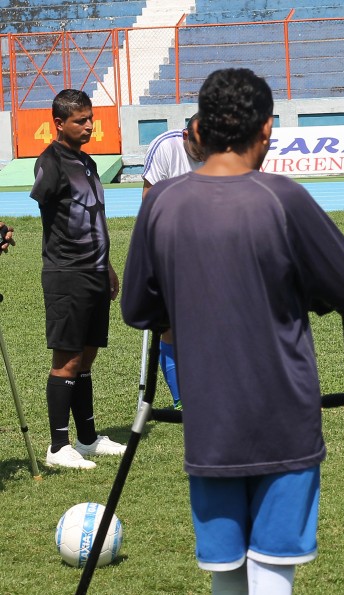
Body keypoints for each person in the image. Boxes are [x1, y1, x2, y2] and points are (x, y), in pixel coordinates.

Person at [121, 68, 344, 595]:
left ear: (200, 129)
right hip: (284, 415)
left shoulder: (162, 204)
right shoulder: (282, 198)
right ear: (266, 130)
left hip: (208, 419)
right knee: (273, 574)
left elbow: (136, 310)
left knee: (230, 571)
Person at [30, 89, 127, 470]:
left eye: (90, 119)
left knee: (86, 357)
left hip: (94, 272)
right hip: (67, 274)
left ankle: (87, 439)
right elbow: (46, 207)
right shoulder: (51, 161)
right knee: (67, 359)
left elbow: (93, 219)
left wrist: (107, 265)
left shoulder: (87, 161)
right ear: (59, 123)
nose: (89, 126)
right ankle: (58, 446)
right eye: (80, 120)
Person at [141, 112, 206, 409]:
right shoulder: (165, 146)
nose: (204, 155)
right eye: (199, 149)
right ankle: (182, 400)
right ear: (185, 136)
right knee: (169, 327)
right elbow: (149, 200)